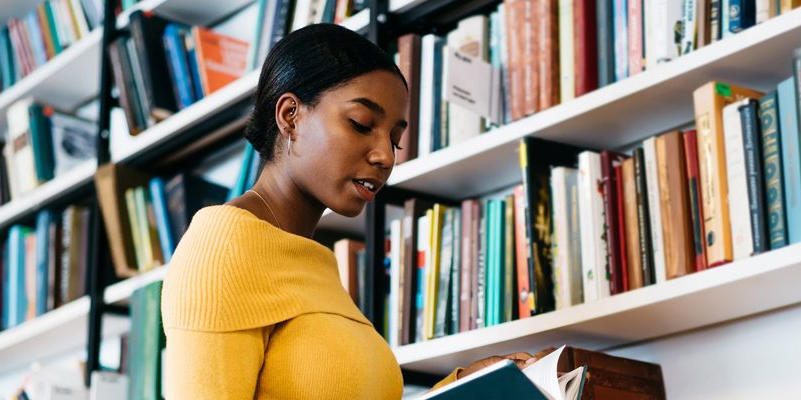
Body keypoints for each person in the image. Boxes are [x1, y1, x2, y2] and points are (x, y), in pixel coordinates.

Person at [161, 23, 535, 399]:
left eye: (395, 139)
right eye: (361, 124)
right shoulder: (224, 244)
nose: (385, 156)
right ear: (290, 115)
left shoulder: (315, 263)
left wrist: (464, 385)